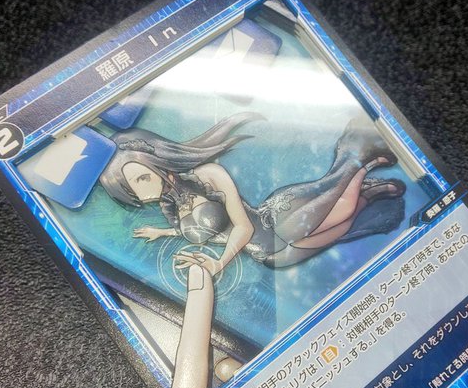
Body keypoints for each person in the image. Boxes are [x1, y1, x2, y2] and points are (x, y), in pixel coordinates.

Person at [99, 112, 406, 277]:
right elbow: (196, 229)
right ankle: (372, 192)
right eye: (130, 189)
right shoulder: (169, 205)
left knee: (342, 205)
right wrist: (162, 232)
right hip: (271, 256)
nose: (141, 193)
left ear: (156, 161)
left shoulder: (208, 175)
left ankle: (363, 163)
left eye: (140, 178)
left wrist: (219, 264)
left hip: (277, 222)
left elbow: (243, 227)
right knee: (345, 225)